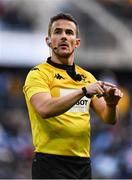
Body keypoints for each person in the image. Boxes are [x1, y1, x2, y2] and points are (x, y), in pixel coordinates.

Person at [23, 13, 123, 179]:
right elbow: (44, 109)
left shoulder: (87, 77)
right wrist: (83, 91)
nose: (63, 36)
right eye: (57, 32)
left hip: (82, 163)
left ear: (76, 42)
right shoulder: (38, 74)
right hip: (50, 163)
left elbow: (109, 119)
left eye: (69, 33)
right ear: (48, 40)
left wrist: (112, 104)